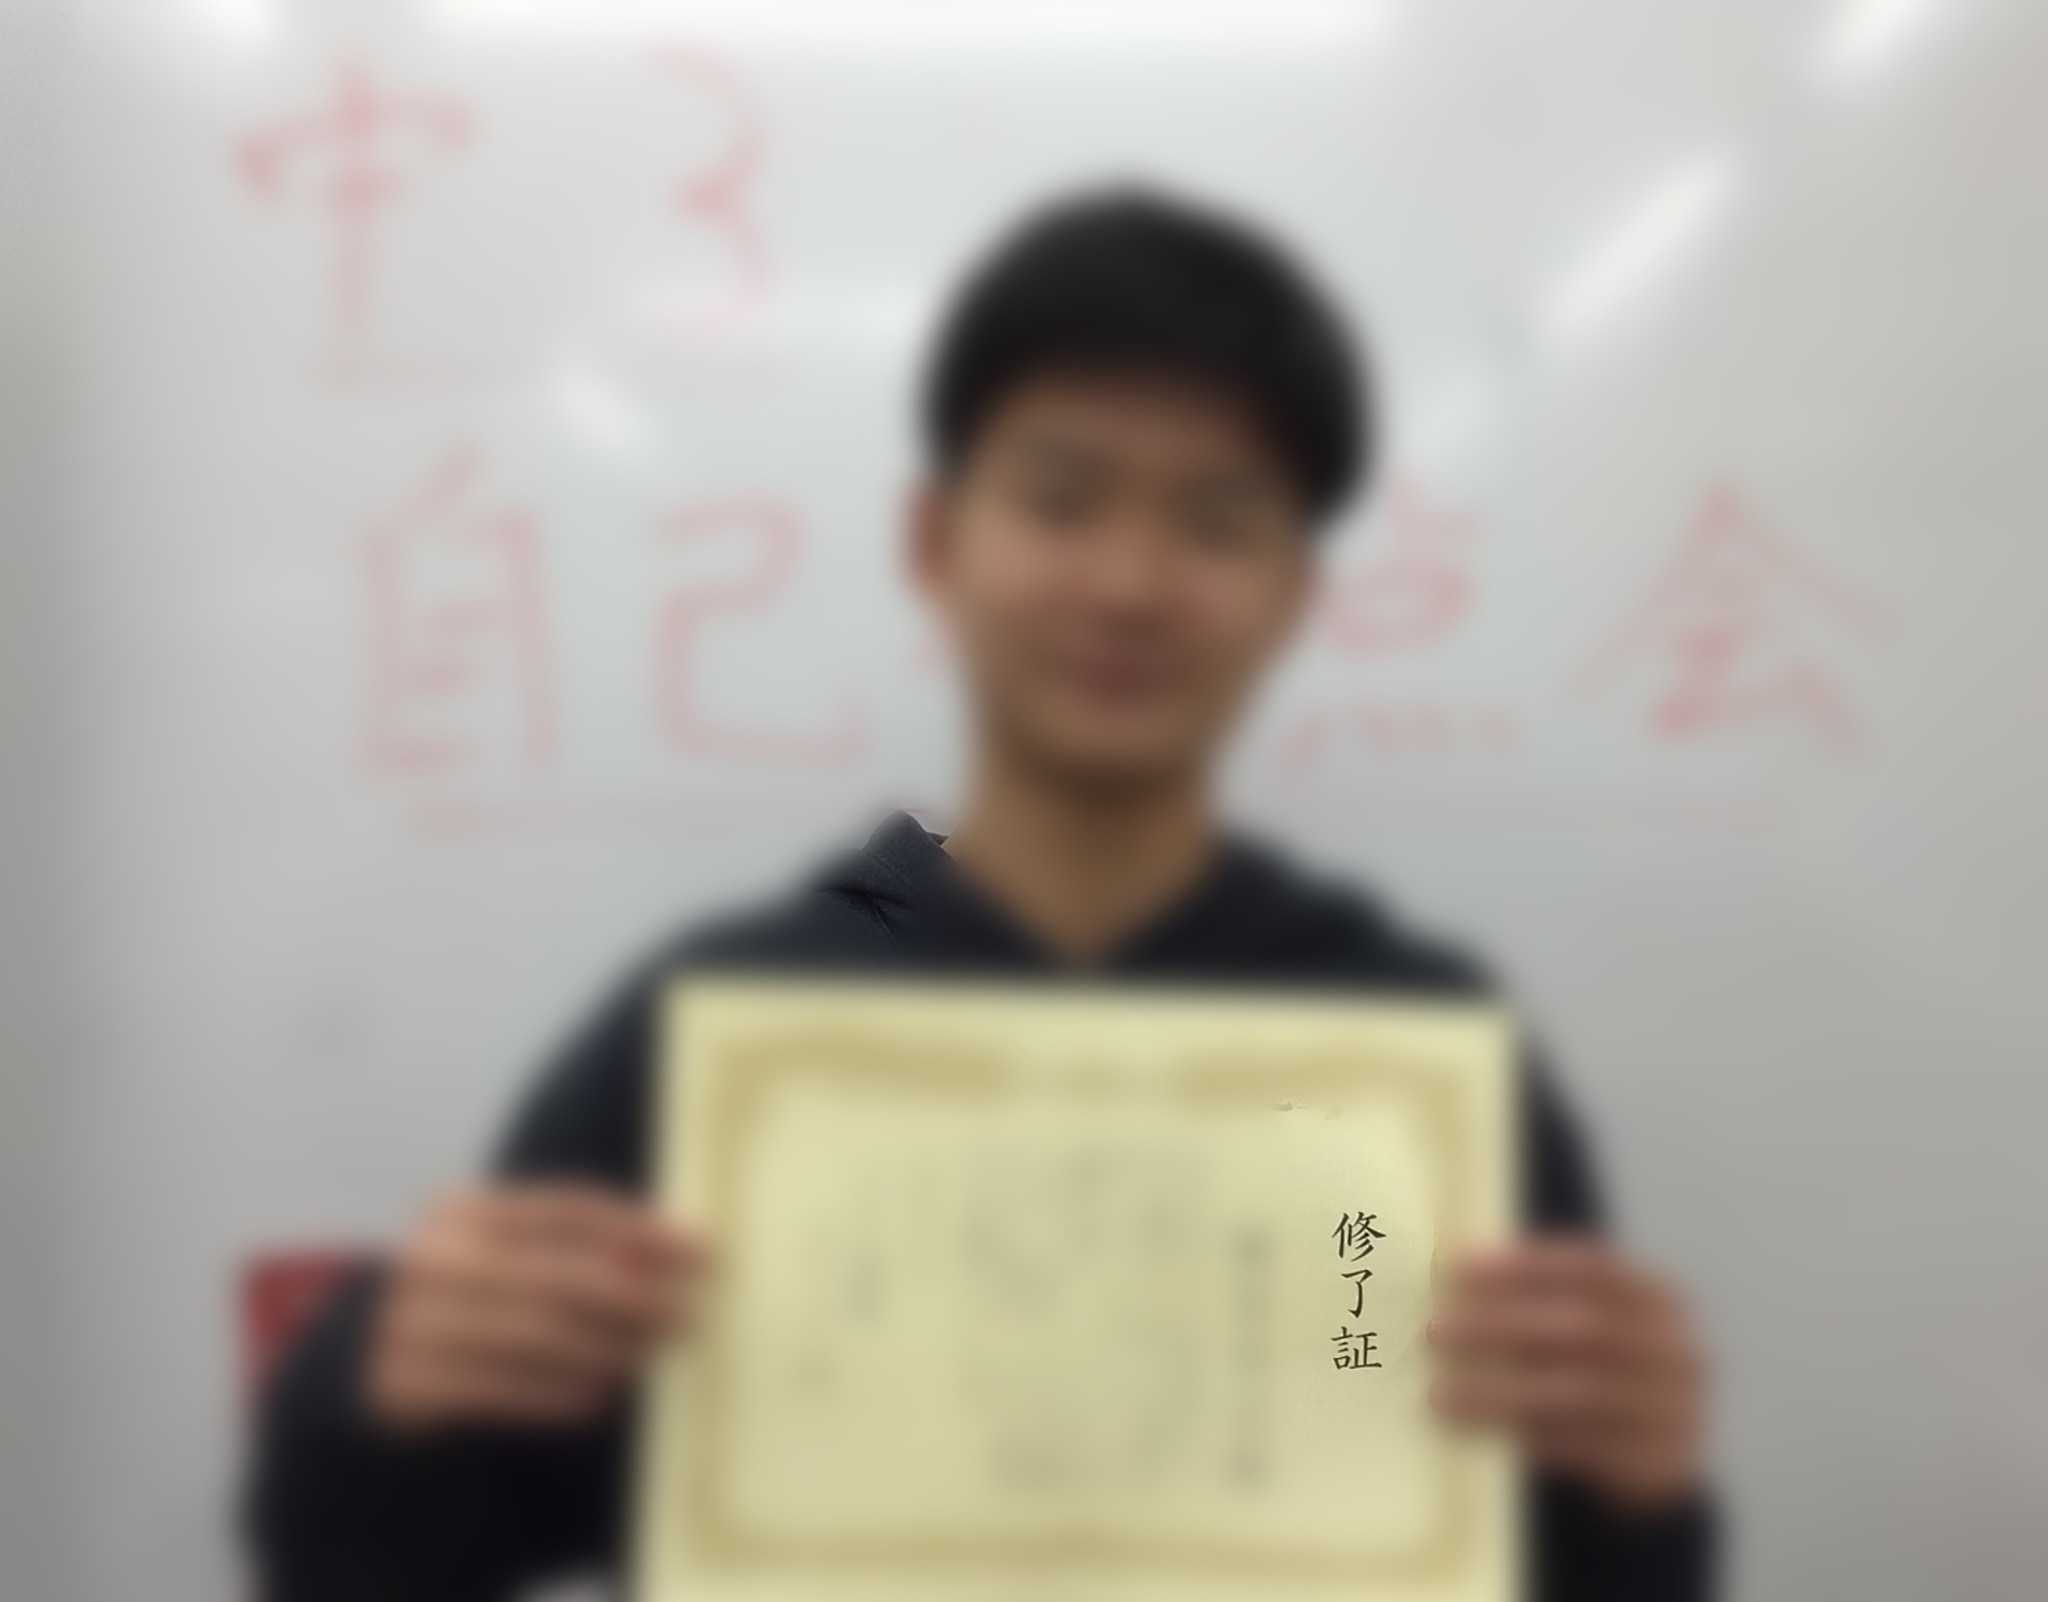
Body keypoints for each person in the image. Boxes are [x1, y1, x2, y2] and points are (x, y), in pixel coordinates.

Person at [246, 188, 1714, 1602]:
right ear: (935, 545)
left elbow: (1564, 1559)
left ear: (1293, 597)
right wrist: (375, 1394)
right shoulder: (735, 1009)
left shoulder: (1411, 1032)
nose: (1130, 583)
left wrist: (1637, 1504)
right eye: (1062, 501)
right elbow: (380, 1559)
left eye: (1217, 523)